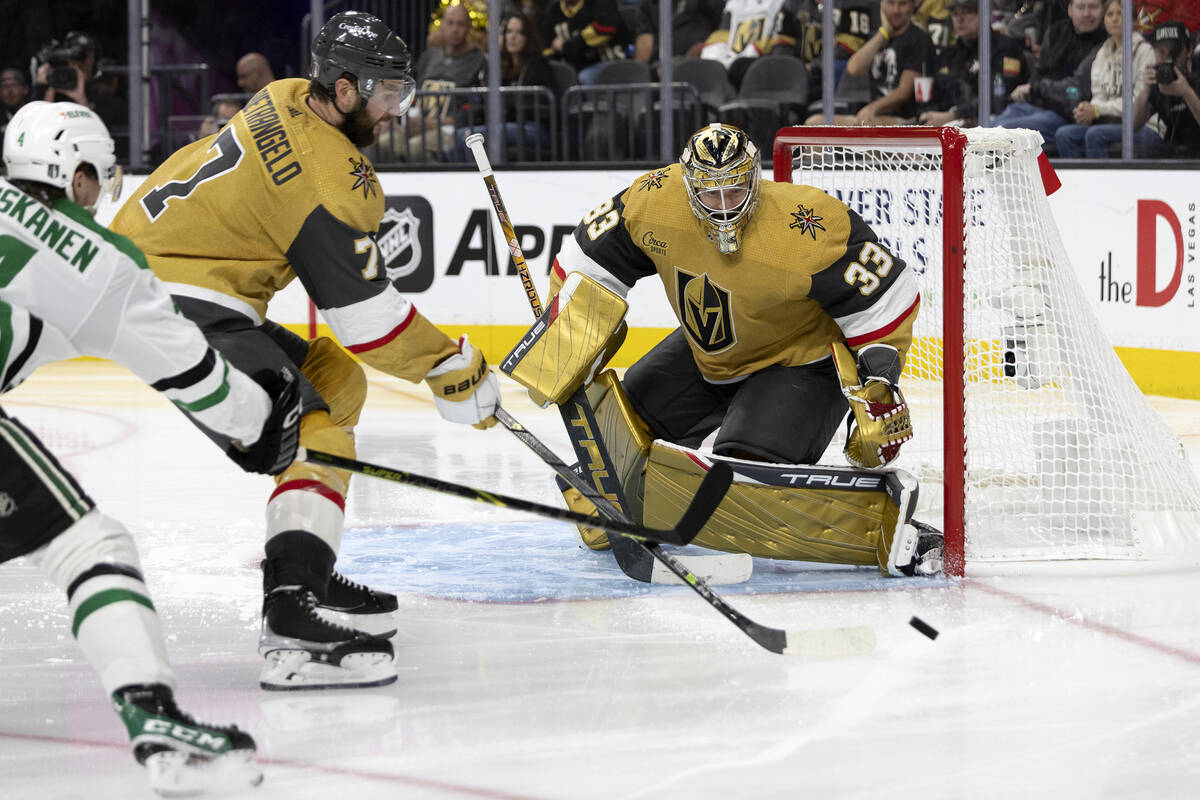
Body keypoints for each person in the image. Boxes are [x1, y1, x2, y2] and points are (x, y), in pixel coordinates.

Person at [110, 11, 501, 691]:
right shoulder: (326, 179)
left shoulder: (290, 93)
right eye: (385, 93)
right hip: (176, 302)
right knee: (317, 429)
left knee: (333, 383)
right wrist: (450, 366)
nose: (395, 107)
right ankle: (289, 615)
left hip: (168, 281)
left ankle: (307, 564)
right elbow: (369, 322)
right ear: (344, 91)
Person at [1, 101, 301, 794]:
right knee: (92, 547)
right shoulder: (95, 260)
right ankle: (154, 717)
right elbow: (197, 378)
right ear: (76, 174)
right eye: (98, 178)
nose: (99, 194)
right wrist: (260, 422)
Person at [508, 123, 941, 577]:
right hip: (708, 353)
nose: (723, 206)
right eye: (709, 194)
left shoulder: (808, 224)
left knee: (740, 474)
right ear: (686, 183)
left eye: (735, 191)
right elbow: (585, 263)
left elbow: (889, 295)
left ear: (755, 178)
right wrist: (565, 340)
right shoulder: (654, 199)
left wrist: (879, 383)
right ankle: (632, 507)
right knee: (614, 432)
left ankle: (880, 530)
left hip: (798, 360)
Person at [991, 0, 1106, 144]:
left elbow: (1075, 89)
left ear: (1103, 10)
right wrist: (1031, 90)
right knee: (989, 128)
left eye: (1093, 7)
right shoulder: (1056, 32)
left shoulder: (1105, 43)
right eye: (1081, 7)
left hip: (1066, 114)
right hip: (1037, 106)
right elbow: (1039, 72)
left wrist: (1035, 89)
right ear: (1070, 10)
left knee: (1003, 132)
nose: (1086, 13)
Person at [1054, 0, 1158, 157]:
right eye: (1110, 14)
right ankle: (1080, 182)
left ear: (1134, 21)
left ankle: (1102, 182)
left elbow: (1136, 104)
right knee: (1064, 135)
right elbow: (1099, 96)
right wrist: (1086, 110)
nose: (1115, 19)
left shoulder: (1145, 51)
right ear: (1104, 20)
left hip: (1144, 126)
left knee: (1095, 134)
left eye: (1120, 14)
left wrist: (1097, 110)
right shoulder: (1102, 53)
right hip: (1108, 122)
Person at [807, 0, 936, 124]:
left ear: (913, 5)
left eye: (903, 4)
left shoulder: (919, 39)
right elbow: (853, 69)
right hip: (873, 116)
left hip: (907, 118)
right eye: (891, 3)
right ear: (882, 4)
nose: (896, 10)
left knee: (863, 123)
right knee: (814, 123)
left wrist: (871, 108)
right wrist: (884, 33)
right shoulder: (879, 37)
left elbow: (903, 92)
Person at [450, 12, 555, 161]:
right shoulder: (502, 66)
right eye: (509, 32)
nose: (512, 37)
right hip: (507, 125)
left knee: (476, 136)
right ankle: (470, 182)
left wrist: (509, 107)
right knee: (459, 137)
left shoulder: (539, 65)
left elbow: (538, 107)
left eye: (519, 33)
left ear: (528, 38)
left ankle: (485, 181)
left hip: (534, 128)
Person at [396, 1, 486, 161]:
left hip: (450, 130)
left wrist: (436, 123)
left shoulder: (479, 61)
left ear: (469, 28)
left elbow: (479, 110)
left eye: (460, 24)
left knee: (415, 148)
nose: (454, 29)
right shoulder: (428, 57)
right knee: (383, 143)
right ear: (442, 25)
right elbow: (408, 92)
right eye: (450, 23)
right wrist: (397, 121)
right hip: (416, 125)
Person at [918, 0, 1030, 126]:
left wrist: (954, 114)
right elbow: (935, 95)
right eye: (955, 14)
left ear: (983, 14)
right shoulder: (948, 55)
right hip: (946, 128)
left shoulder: (1006, 49)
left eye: (967, 12)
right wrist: (927, 114)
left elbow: (1000, 99)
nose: (960, 19)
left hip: (992, 127)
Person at [701, 0, 807, 88]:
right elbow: (720, 36)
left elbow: (781, 45)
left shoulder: (786, 4)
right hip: (735, 65)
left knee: (740, 68)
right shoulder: (734, 4)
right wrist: (720, 63)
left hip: (765, 62)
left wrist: (755, 51)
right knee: (707, 70)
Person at [1132, 19, 1200, 156]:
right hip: (1173, 147)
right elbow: (1133, 126)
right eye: (1161, 52)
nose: (1168, 59)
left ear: (1189, 50)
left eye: (1174, 53)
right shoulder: (1159, 78)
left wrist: (1187, 93)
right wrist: (1145, 90)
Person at [542, 0, 631, 85]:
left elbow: (604, 29)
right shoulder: (554, 9)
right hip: (574, 65)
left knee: (584, 77)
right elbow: (548, 44)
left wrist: (567, 47)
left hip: (610, 63)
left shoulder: (601, 3)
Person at [632, 0, 725, 63]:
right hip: (662, 66)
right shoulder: (650, 3)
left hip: (700, 62)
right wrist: (639, 73)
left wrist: (706, 47)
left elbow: (724, 28)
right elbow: (645, 42)